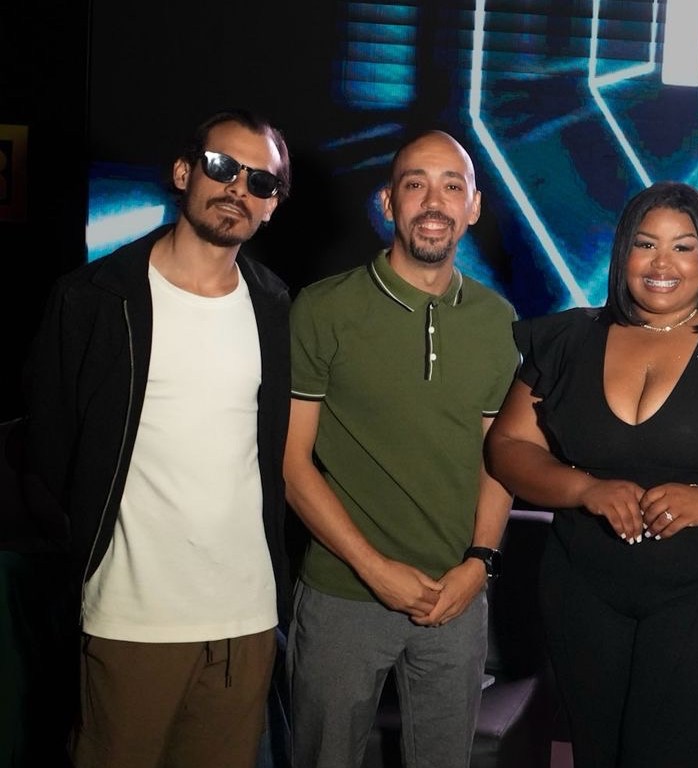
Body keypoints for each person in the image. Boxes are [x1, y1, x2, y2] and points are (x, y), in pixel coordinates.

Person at [484, 180, 698, 767]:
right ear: (622, 251)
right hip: (581, 590)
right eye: (645, 244)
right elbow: (508, 447)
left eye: (683, 247)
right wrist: (584, 488)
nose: (661, 264)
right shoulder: (568, 338)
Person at [22, 108, 294, 767]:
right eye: (223, 167)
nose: (237, 188)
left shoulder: (274, 305)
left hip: (245, 621)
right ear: (182, 171)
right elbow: (46, 452)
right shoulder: (93, 297)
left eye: (259, 181)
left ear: (271, 207)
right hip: (130, 616)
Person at [283, 129, 518, 767]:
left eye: (452, 186)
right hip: (343, 594)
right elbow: (292, 464)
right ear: (388, 203)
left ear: (473, 206)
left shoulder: (498, 321)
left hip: (456, 597)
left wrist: (478, 566)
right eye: (416, 184)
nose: (434, 202)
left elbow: (499, 461)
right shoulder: (323, 309)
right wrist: (374, 568)